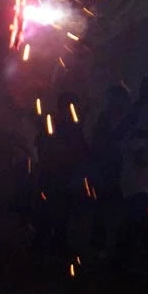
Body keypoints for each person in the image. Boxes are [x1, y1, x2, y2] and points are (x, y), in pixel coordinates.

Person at [112, 75, 148, 281]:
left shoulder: (137, 113)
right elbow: (128, 140)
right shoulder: (146, 114)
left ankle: (119, 265)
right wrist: (140, 150)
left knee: (133, 222)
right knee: (145, 223)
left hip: (138, 177)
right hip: (139, 178)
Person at [32, 91, 89, 260]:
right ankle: (44, 244)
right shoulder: (55, 123)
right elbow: (42, 144)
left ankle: (53, 243)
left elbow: (80, 148)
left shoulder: (71, 125)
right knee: (51, 209)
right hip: (53, 173)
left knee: (60, 210)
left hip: (63, 173)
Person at [88, 83, 132, 256]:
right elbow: (97, 141)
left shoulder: (129, 119)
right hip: (106, 169)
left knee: (121, 210)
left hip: (124, 170)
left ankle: (121, 248)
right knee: (103, 207)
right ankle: (99, 244)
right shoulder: (105, 118)